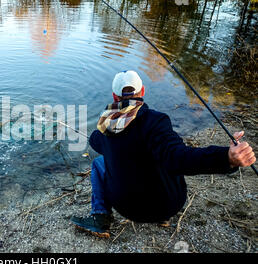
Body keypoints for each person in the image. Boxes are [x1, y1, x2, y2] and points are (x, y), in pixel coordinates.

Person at [70, 70, 256, 237]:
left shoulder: (105, 128)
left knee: (99, 163)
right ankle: (163, 219)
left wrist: (226, 157)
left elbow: (96, 141)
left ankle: (100, 217)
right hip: (167, 205)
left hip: (127, 208)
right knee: (164, 157)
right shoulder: (156, 121)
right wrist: (226, 157)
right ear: (142, 92)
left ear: (114, 96)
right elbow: (179, 157)